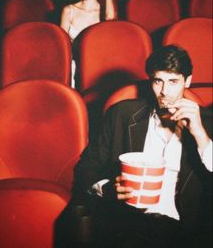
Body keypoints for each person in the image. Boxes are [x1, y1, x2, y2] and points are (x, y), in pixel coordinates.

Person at [55, 45, 212, 248]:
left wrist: (200, 134)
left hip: (185, 232)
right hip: (128, 225)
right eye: (158, 81)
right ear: (150, 81)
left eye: (173, 82)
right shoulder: (121, 115)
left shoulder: (207, 124)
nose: (164, 92)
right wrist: (106, 188)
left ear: (187, 81)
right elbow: (86, 169)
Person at [60, 0, 117, 88]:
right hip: (76, 64)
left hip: (100, 62)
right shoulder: (69, 10)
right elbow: (62, 45)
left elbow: (111, 20)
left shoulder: (104, 10)